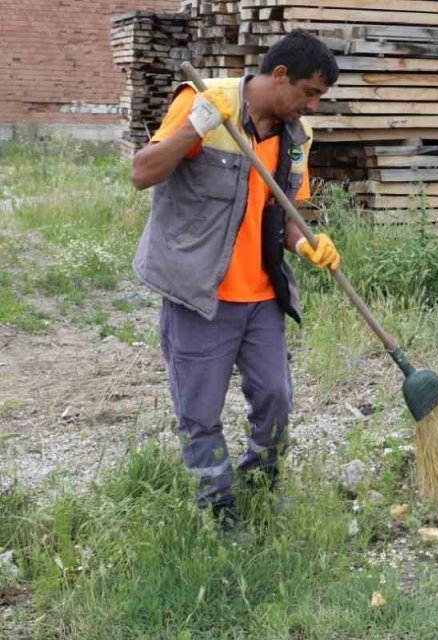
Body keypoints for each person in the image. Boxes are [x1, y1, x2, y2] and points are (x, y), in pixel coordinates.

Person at [129, 30, 341, 528]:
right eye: (308, 92)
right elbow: (142, 173)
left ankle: (260, 485)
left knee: (275, 399)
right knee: (200, 412)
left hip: (262, 294)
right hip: (200, 292)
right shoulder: (206, 101)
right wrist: (195, 129)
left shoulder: (296, 138)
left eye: (318, 98)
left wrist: (306, 241)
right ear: (281, 75)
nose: (310, 106)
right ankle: (218, 507)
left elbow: (289, 212)